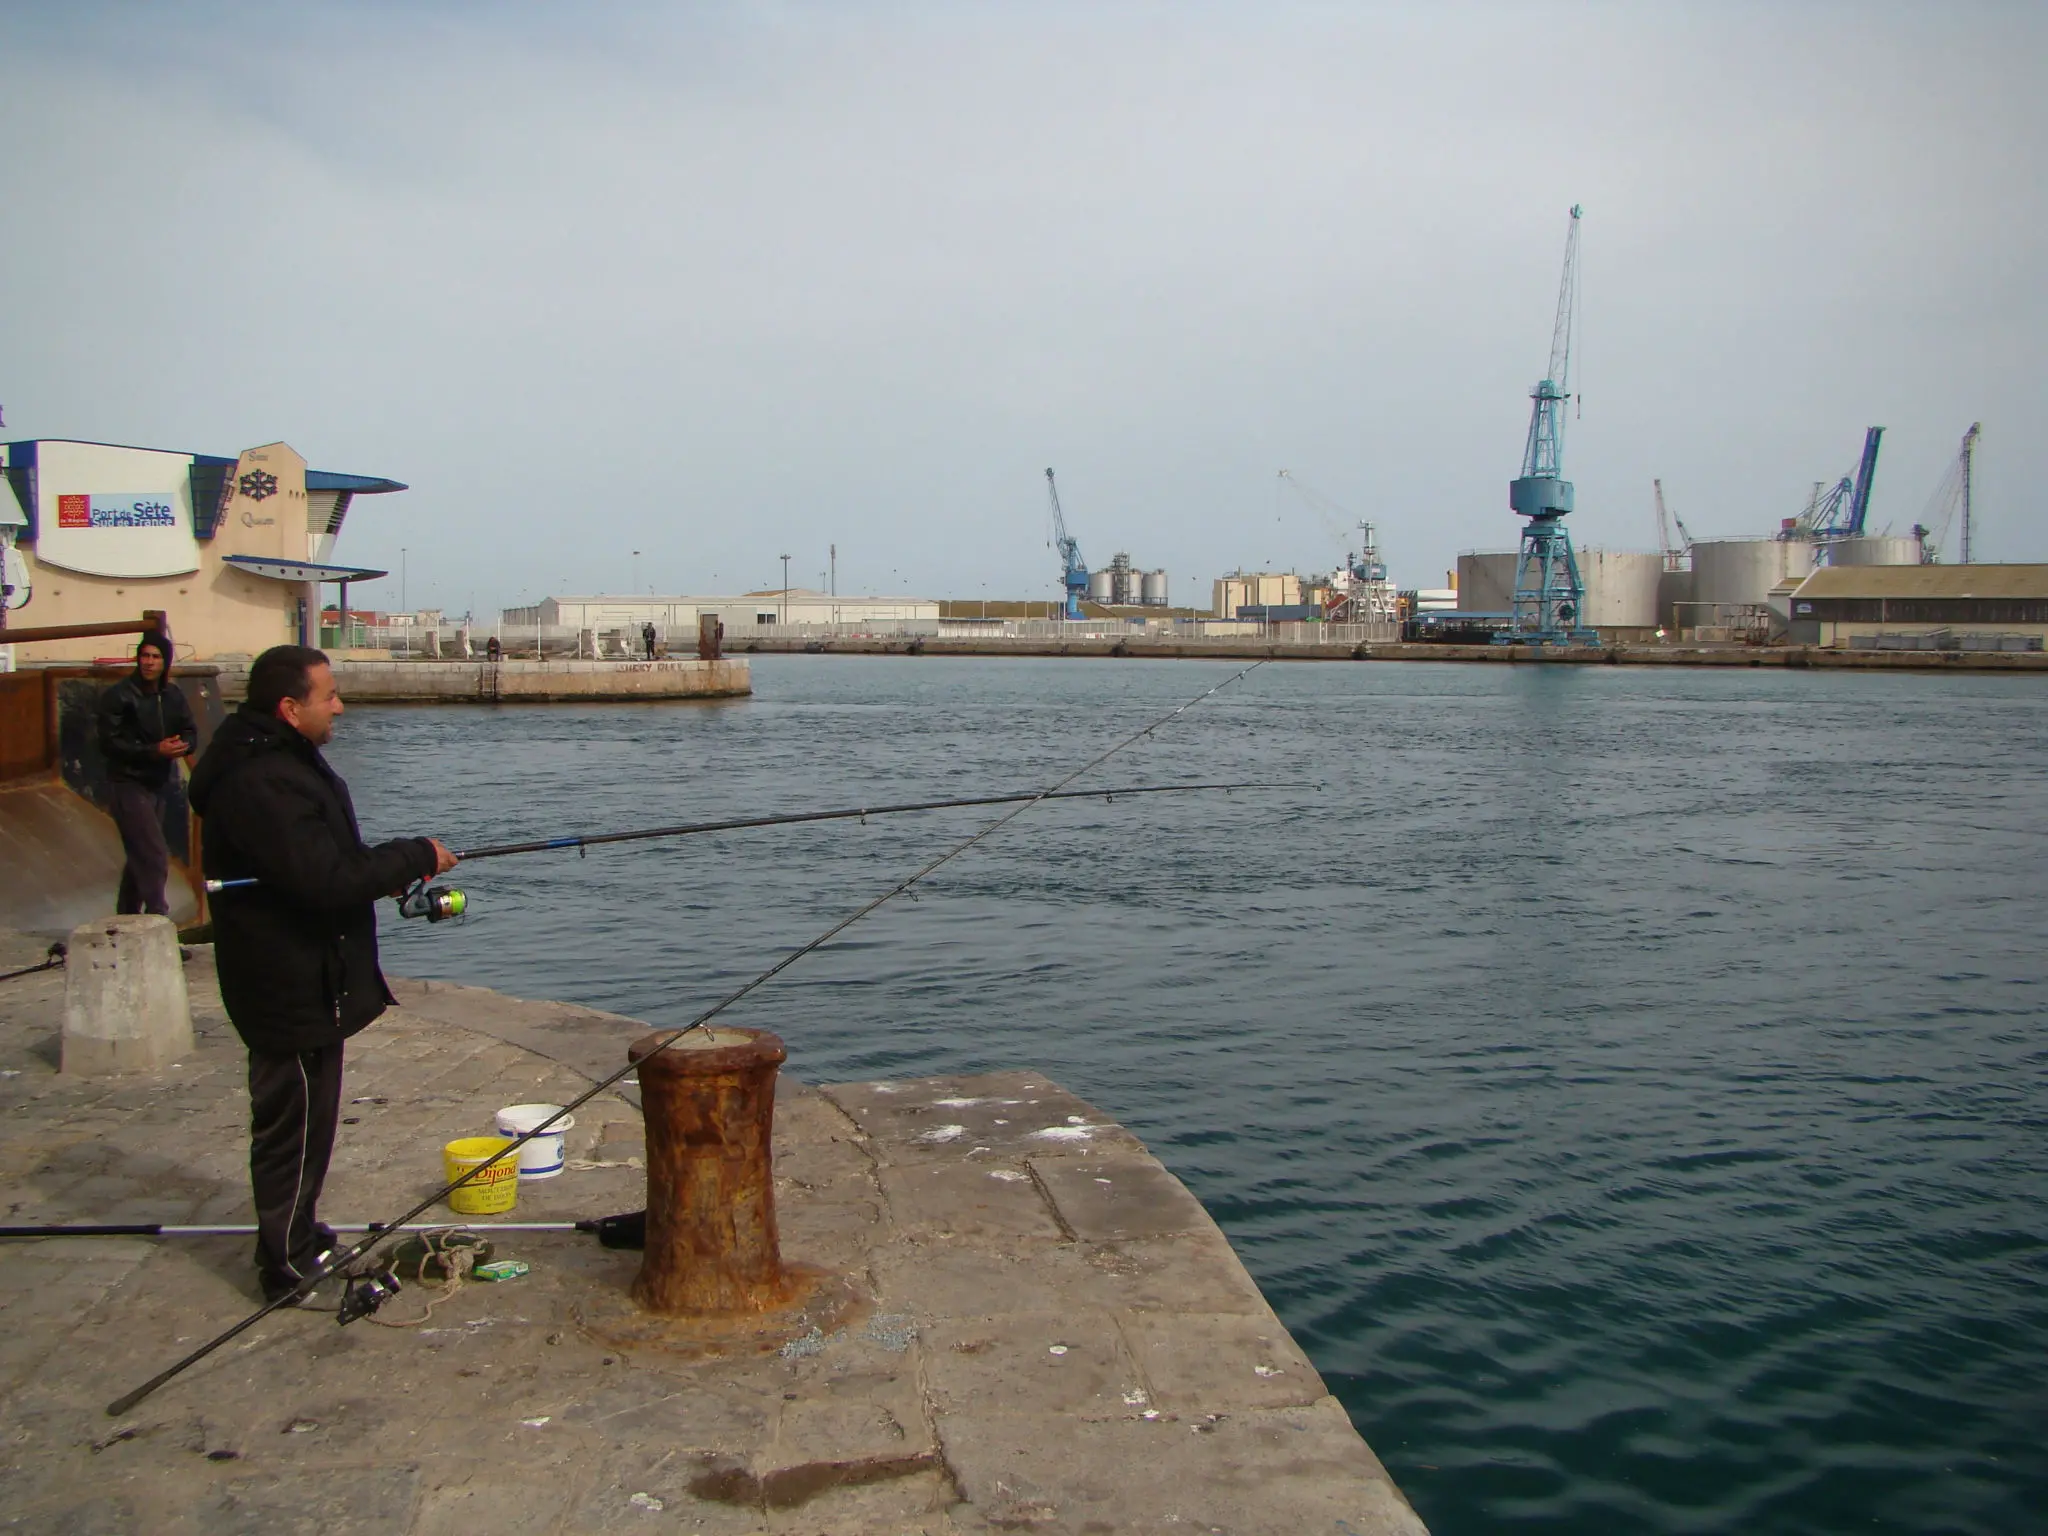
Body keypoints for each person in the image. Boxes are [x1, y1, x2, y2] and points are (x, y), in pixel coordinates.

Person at [188, 645, 458, 1304]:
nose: (339, 705)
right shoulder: (260, 781)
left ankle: (302, 1235)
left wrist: (392, 870)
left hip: (310, 977)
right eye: (328, 695)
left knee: (312, 1122)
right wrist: (412, 854)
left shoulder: (279, 758)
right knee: (291, 1127)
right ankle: (283, 1264)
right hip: (284, 985)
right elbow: (324, 880)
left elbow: (321, 857)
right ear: (289, 707)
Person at [96, 630, 197, 916]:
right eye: (144, 656)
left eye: (155, 657)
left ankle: (127, 919)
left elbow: (190, 729)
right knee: (153, 856)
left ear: (165, 662)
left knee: (139, 858)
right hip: (127, 783)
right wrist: (154, 750)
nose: (149, 662)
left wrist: (185, 744)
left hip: (158, 783)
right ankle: (159, 924)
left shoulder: (172, 695)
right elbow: (109, 743)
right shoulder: (120, 696)